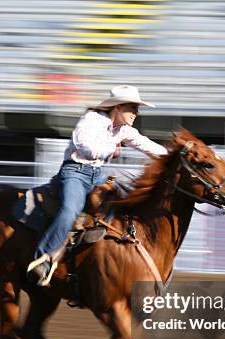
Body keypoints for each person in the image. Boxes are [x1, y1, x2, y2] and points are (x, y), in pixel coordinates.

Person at [27, 85, 168, 286]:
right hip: (74, 172)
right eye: (132, 108)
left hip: (98, 175)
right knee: (69, 210)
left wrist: (173, 157)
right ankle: (42, 258)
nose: (136, 113)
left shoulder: (124, 130)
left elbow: (146, 144)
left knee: (127, 196)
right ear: (118, 107)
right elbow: (86, 148)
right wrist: (112, 148)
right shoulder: (91, 120)